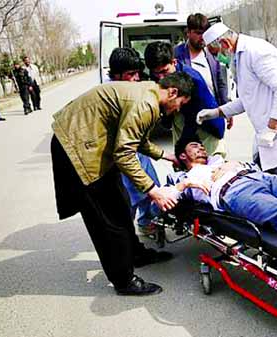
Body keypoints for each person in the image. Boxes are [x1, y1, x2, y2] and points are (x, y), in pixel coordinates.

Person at [50, 72, 194, 296]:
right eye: (180, 104)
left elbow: (137, 139)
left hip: (90, 142)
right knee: (107, 218)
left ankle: (134, 254)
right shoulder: (146, 103)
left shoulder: (149, 93)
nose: (177, 109)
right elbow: (124, 154)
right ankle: (123, 280)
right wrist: (154, 191)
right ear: (173, 92)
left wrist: (166, 156)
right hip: (76, 147)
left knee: (121, 204)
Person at [197, 22, 277, 179]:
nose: (218, 59)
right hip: (267, 143)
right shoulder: (238, 58)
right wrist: (216, 112)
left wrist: (272, 126)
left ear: (225, 43)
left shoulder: (257, 51)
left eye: (216, 54)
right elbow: (247, 99)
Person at [108, 47, 165, 237]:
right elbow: (123, 148)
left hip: (137, 151)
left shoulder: (133, 91)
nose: (136, 79)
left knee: (150, 187)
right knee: (130, 196)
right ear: (116, 75)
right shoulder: (111, 96)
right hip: (122, 156)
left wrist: (163, 155)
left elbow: (139, 137)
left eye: (137, 74)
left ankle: (146, 222)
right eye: (130, 74)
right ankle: (126, 237)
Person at [144, 41, 226, 157]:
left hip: (205, 127)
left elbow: (193, 119)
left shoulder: (192, 80)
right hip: (182, 122)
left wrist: (181, 149)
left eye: (164, 71)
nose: (161, 78)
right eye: (157, 73)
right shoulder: (158, 77)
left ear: (174, 62)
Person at [175, 13, 232, 130]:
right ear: (188, 33)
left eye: (205, 33)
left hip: (211, 112)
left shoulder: (212, 53)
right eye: (198, 33)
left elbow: (221, 83)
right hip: (186, 116)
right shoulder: (177, 55)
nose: (202, 37)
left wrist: (227, 109)